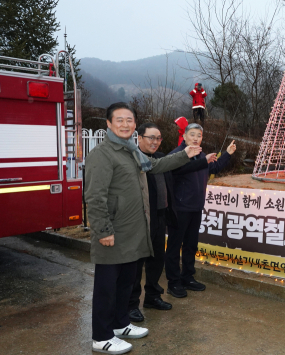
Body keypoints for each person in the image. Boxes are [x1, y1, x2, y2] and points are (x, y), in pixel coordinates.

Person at [85, 102, 202, 354]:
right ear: (109, 123)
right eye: (119, 120)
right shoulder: (102, 154)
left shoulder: (132, 152)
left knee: (126, 283)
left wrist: (184, 154)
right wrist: (103, 231)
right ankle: (101, 337)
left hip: (133, 232)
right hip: (113, 232)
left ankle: (120, 324)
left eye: (129, 120)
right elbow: (95, 197)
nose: (125, 124)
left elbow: (157, 166)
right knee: (107, 287)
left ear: (135, 125)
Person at [128, 123, 218, 323]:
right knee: (137, 262)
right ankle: (131, 304)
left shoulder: (161, 158)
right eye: (150, 138)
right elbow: (182, 168)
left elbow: (178, 168)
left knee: (157, 259)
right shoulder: (133, 159)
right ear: (139, 138)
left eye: (158, 138)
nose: (155, 142)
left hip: (162, 215)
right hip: (142, 217)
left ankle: (152, 297)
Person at [165, 123, 237, 298]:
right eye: (192, 134)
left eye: (199, 135)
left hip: (196, 207)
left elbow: (213, 168)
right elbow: (179, 170)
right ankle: (173, 283)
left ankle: (187, 277)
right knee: (174, 246)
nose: (196, 138)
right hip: (179, 208)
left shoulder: (201, 155)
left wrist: (227, 154)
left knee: (191, 245)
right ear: (184, 136)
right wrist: (203, 161)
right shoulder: (176, 155)